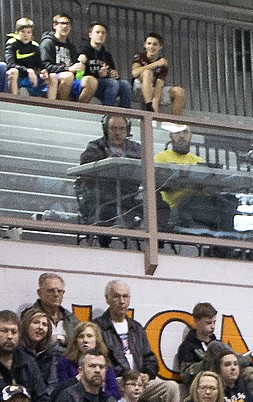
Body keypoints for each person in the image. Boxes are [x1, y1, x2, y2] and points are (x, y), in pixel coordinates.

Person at [94, 281, 179, 402]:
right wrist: (127, 377)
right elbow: (98, 361)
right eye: (116, 296)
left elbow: (150, 358)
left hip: (139, 380)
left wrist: (148, 374)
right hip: (118, 381)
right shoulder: (98, 326)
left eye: (125, 297)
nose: (122, 301)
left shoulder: (136, 327)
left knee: (171, 387)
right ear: (107, 298)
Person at [77, 113, 142, 241]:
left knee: (159, 204)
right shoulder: (95, 146)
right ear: (105, 129)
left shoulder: (136, 148)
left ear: (127, 130)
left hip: (129, 196)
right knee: (107, 207)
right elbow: (86, 163)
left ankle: (154, 245)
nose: (118, 133)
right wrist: (106, 160)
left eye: (121, 129)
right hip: (100, 196)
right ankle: (104, 244)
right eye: (113, 128)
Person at [77, 22, 131, 107]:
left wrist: (113, 75)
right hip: (88, 83)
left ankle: (126, 113)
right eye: (97, 32)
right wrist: (98, 74)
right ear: (90, 34)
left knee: (125, 84)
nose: (100, 35)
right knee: (112, 83)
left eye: (103, 33)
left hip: (104, 83)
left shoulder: (106, 55)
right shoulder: (83, 51)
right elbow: (78, 75)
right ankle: (108, 111)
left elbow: (111, 72)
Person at [132, 31, 183, 115]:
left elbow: (158, 87)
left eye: (155, 44)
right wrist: (155, 64)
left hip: (154, 89)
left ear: (160, 47)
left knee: (179, 91)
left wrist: (155, 112)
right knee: (147, 73)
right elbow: (135, 73)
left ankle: (176, 124)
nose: (151, 47)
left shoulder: (163, 64)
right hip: (138, 88)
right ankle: (148, 106)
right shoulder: (140, 56)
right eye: (149, 43)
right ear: (145, 45)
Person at [39, 13, 88, 100]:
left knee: (91, 81)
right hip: (52, 77)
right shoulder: (47, 43)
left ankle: (80, 109)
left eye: (67, 24)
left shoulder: (71, 47)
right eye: (62, 23)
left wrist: (81, 66)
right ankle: (64, 106)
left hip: (71, 78)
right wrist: (68, 69)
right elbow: (45, 65)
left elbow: (76, 69)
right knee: (68, 76)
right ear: (54, 25)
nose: (65, 26)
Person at [5, 17, 49, 97]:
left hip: (31, 78)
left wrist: (44, 71)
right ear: (17, 32)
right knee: (13, 72)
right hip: (18, 77)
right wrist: (28, 70)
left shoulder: (35, 46)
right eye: (22, 32)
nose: (26, 35)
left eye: (28, 32)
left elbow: (40, 64)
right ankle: (14, 100)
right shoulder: (12, 44)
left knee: (52, 77)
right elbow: (10, 64)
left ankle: (49, 105)